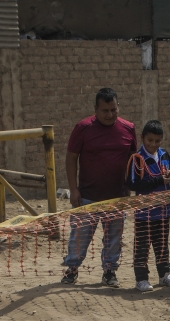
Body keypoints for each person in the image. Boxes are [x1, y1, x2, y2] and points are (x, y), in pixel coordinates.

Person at [61, 87, 137, 287]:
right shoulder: (83, 128)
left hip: (117, 197)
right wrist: (73, 189)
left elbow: (133, 159)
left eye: (114, 109)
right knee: (80, 236)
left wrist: (129, 185)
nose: (110, 114)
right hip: (87, 196)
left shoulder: (128, 128)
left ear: (118, 106)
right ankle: (72, 269)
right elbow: (71, 159)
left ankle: (110, 271)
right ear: (95, 109)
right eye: (105, 110)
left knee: (114, 238)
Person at [125, 120, 170, 292]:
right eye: (149, 140)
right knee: (142, 247)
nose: (153, 144)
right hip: (144, 214)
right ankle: (141, 279)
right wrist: (158, 180)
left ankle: (164, 275)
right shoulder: (137, 159)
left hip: (163, 211)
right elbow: (133, 185)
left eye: (157, 141)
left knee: (162, 245)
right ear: (142, 138)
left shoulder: (164, 155)